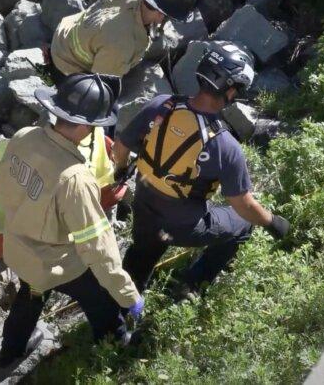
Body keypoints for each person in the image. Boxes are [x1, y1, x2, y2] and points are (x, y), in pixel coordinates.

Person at [112, 43, 291, 298]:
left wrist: (120, 171)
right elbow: (243, 205)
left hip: (144, 210)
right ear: (230, 90)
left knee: (141, 257)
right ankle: (192, 285)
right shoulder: (225, 145)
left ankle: (124, 306)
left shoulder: (162, 105)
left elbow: (120, 147)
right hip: (184, 225)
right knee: (244, 225)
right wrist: (272, 223)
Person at [0, 74, 144, 368]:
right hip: (54, 261)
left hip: (18, 249)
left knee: (32, 293)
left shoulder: (25, 136)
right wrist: (129, 297)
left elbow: (3, 186)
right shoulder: (75, 179)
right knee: (101, 297)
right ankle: (115, 349)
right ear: (89, 127)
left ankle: (8, 355)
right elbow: (98, 249)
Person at [49, 0, 200, 79]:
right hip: (67, 62)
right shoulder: (122, 43)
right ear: (161, 14)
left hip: (67, 29)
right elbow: (101, 82)